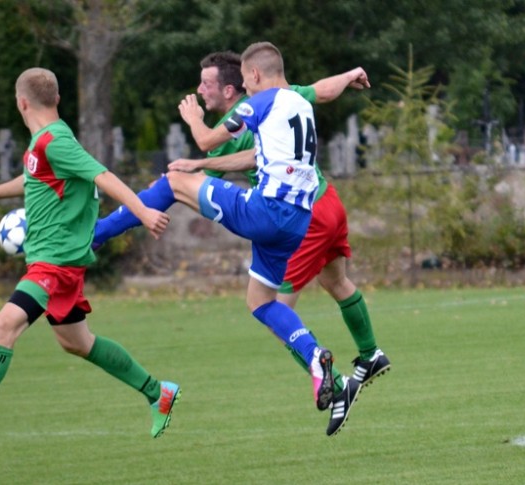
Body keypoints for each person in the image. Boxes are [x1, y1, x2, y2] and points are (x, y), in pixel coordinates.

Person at [92, 42, 358, 436]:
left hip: (266, 211)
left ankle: (95, 236)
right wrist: (350, 75)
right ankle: (318, 360)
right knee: (260, 301)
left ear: (254, 75)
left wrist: (193, 118)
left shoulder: (258, 102)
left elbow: (206, 140)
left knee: (174, 182)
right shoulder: (300, 103)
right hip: (296, 222)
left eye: (247, 81)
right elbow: (256, 154)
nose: (246, 89)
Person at [0, 67, 179, 445]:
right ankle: (158, 393)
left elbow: (102, 176)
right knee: (77, 342)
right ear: (56, 99)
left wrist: (144, 212)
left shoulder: (55, 141)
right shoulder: (45, 141)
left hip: (54, 263)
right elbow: (33, 177)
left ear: (21, 103)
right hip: (54, 261)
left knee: (4, 326)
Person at [170, 51, 391, 389]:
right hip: (327, 199)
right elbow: (322, 90)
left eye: (206, 84)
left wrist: (193, 123)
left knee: (274, 309)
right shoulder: (286, 96)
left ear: (231, 88)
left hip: (301, 214)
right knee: (336, 281)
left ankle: (332, 384)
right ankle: (371, 353)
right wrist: (348, 76)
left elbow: (208, 165)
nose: (199, 91)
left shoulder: (244, 116)